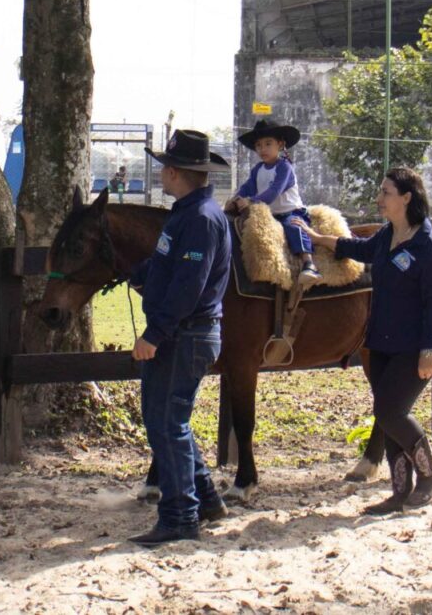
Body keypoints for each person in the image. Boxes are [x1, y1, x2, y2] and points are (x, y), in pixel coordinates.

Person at [293, 167, 432, 515]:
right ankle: (399, 490)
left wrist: (431, 349)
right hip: (379, 343)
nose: (379, 199)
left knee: (389, 411)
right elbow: (357, 248)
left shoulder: (428, 245)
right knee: (391, 416)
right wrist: (317, 239)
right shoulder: (387, 236)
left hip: (412, 346)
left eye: (386, 193)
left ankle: (431, 475)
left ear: (406, 198)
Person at [128, 129, 232, 547]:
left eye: (163, 171)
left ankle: (179, 517)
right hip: (185, 335)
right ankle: (204, 499)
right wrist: (139, 275)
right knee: (170, 421)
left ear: (174, 172)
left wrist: (154, 332)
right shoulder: (189, 214)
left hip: (185, 336)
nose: (160, 177)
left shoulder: (201, 219)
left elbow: (189, 285)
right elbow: (167, 264)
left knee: (166, 423)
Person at [226, 119, 322, 286]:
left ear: (280, 144)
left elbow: (273, 192)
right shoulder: (257, 169)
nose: (262, 149)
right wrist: (235, 199)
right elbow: (247, 187)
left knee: (294, 227)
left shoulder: (284, 168)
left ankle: (308, 263)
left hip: (291, 211)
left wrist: (251, 201)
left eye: (268, 144)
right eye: (258, 145)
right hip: (270, 215)